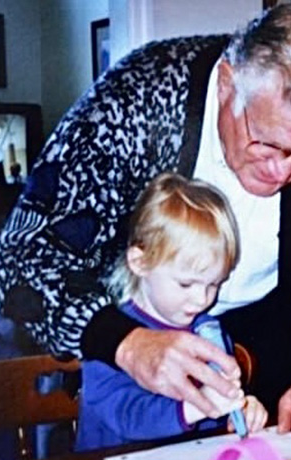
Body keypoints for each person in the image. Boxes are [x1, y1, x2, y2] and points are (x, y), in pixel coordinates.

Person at [0, 3, 291, 445]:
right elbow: (23, 256)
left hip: (266, 338)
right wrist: (127, 343)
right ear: (226, 84)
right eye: (267, 143)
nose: (283, 172)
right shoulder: (141, 94)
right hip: (128, 329)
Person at [75, 173, 267, 451]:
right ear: (140, 262)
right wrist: (194, 408)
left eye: (214, 284)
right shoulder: (109, 338)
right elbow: (125, 416)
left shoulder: (209, 332)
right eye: (186, 283)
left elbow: (214, 419)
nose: (202, 299)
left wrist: (241, 408)